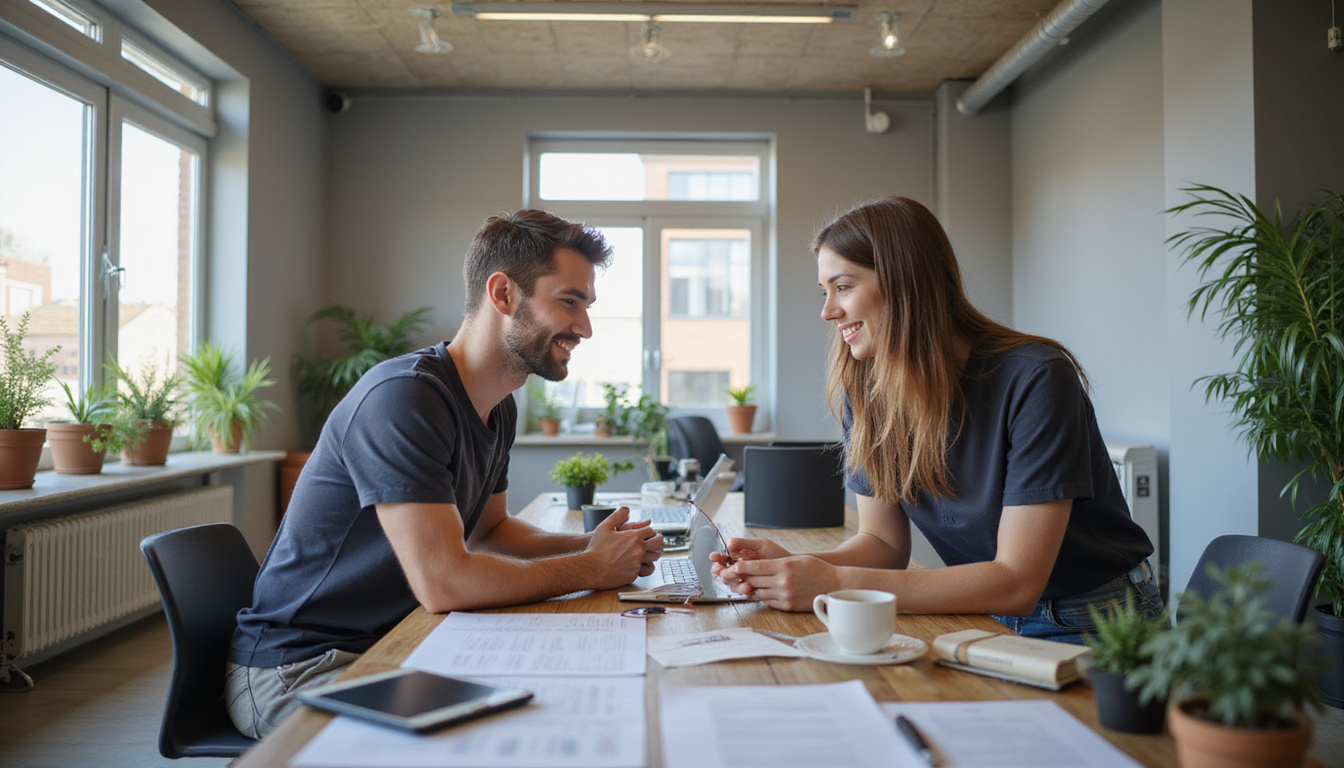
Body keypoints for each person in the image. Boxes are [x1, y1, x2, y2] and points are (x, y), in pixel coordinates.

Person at [226, 210, 663, 738]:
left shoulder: (498, 405)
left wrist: (587, 547)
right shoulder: (404, 398)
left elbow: (491, 532)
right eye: (569, 301)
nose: (585, 327)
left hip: (399, 642)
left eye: (586, 306)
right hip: (299, 668)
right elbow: (445, 582)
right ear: (503, 294)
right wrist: (590, 570)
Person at [712, 196, 1161, 644]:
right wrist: (789, 570)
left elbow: (1018, 582)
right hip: (982, 611)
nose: (828, 311)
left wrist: (832, 583)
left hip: (1094, 617)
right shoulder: (867, 393)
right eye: (825, 292)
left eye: (843, 287)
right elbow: (883, 546)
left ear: (905, 281)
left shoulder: (1037, 378)